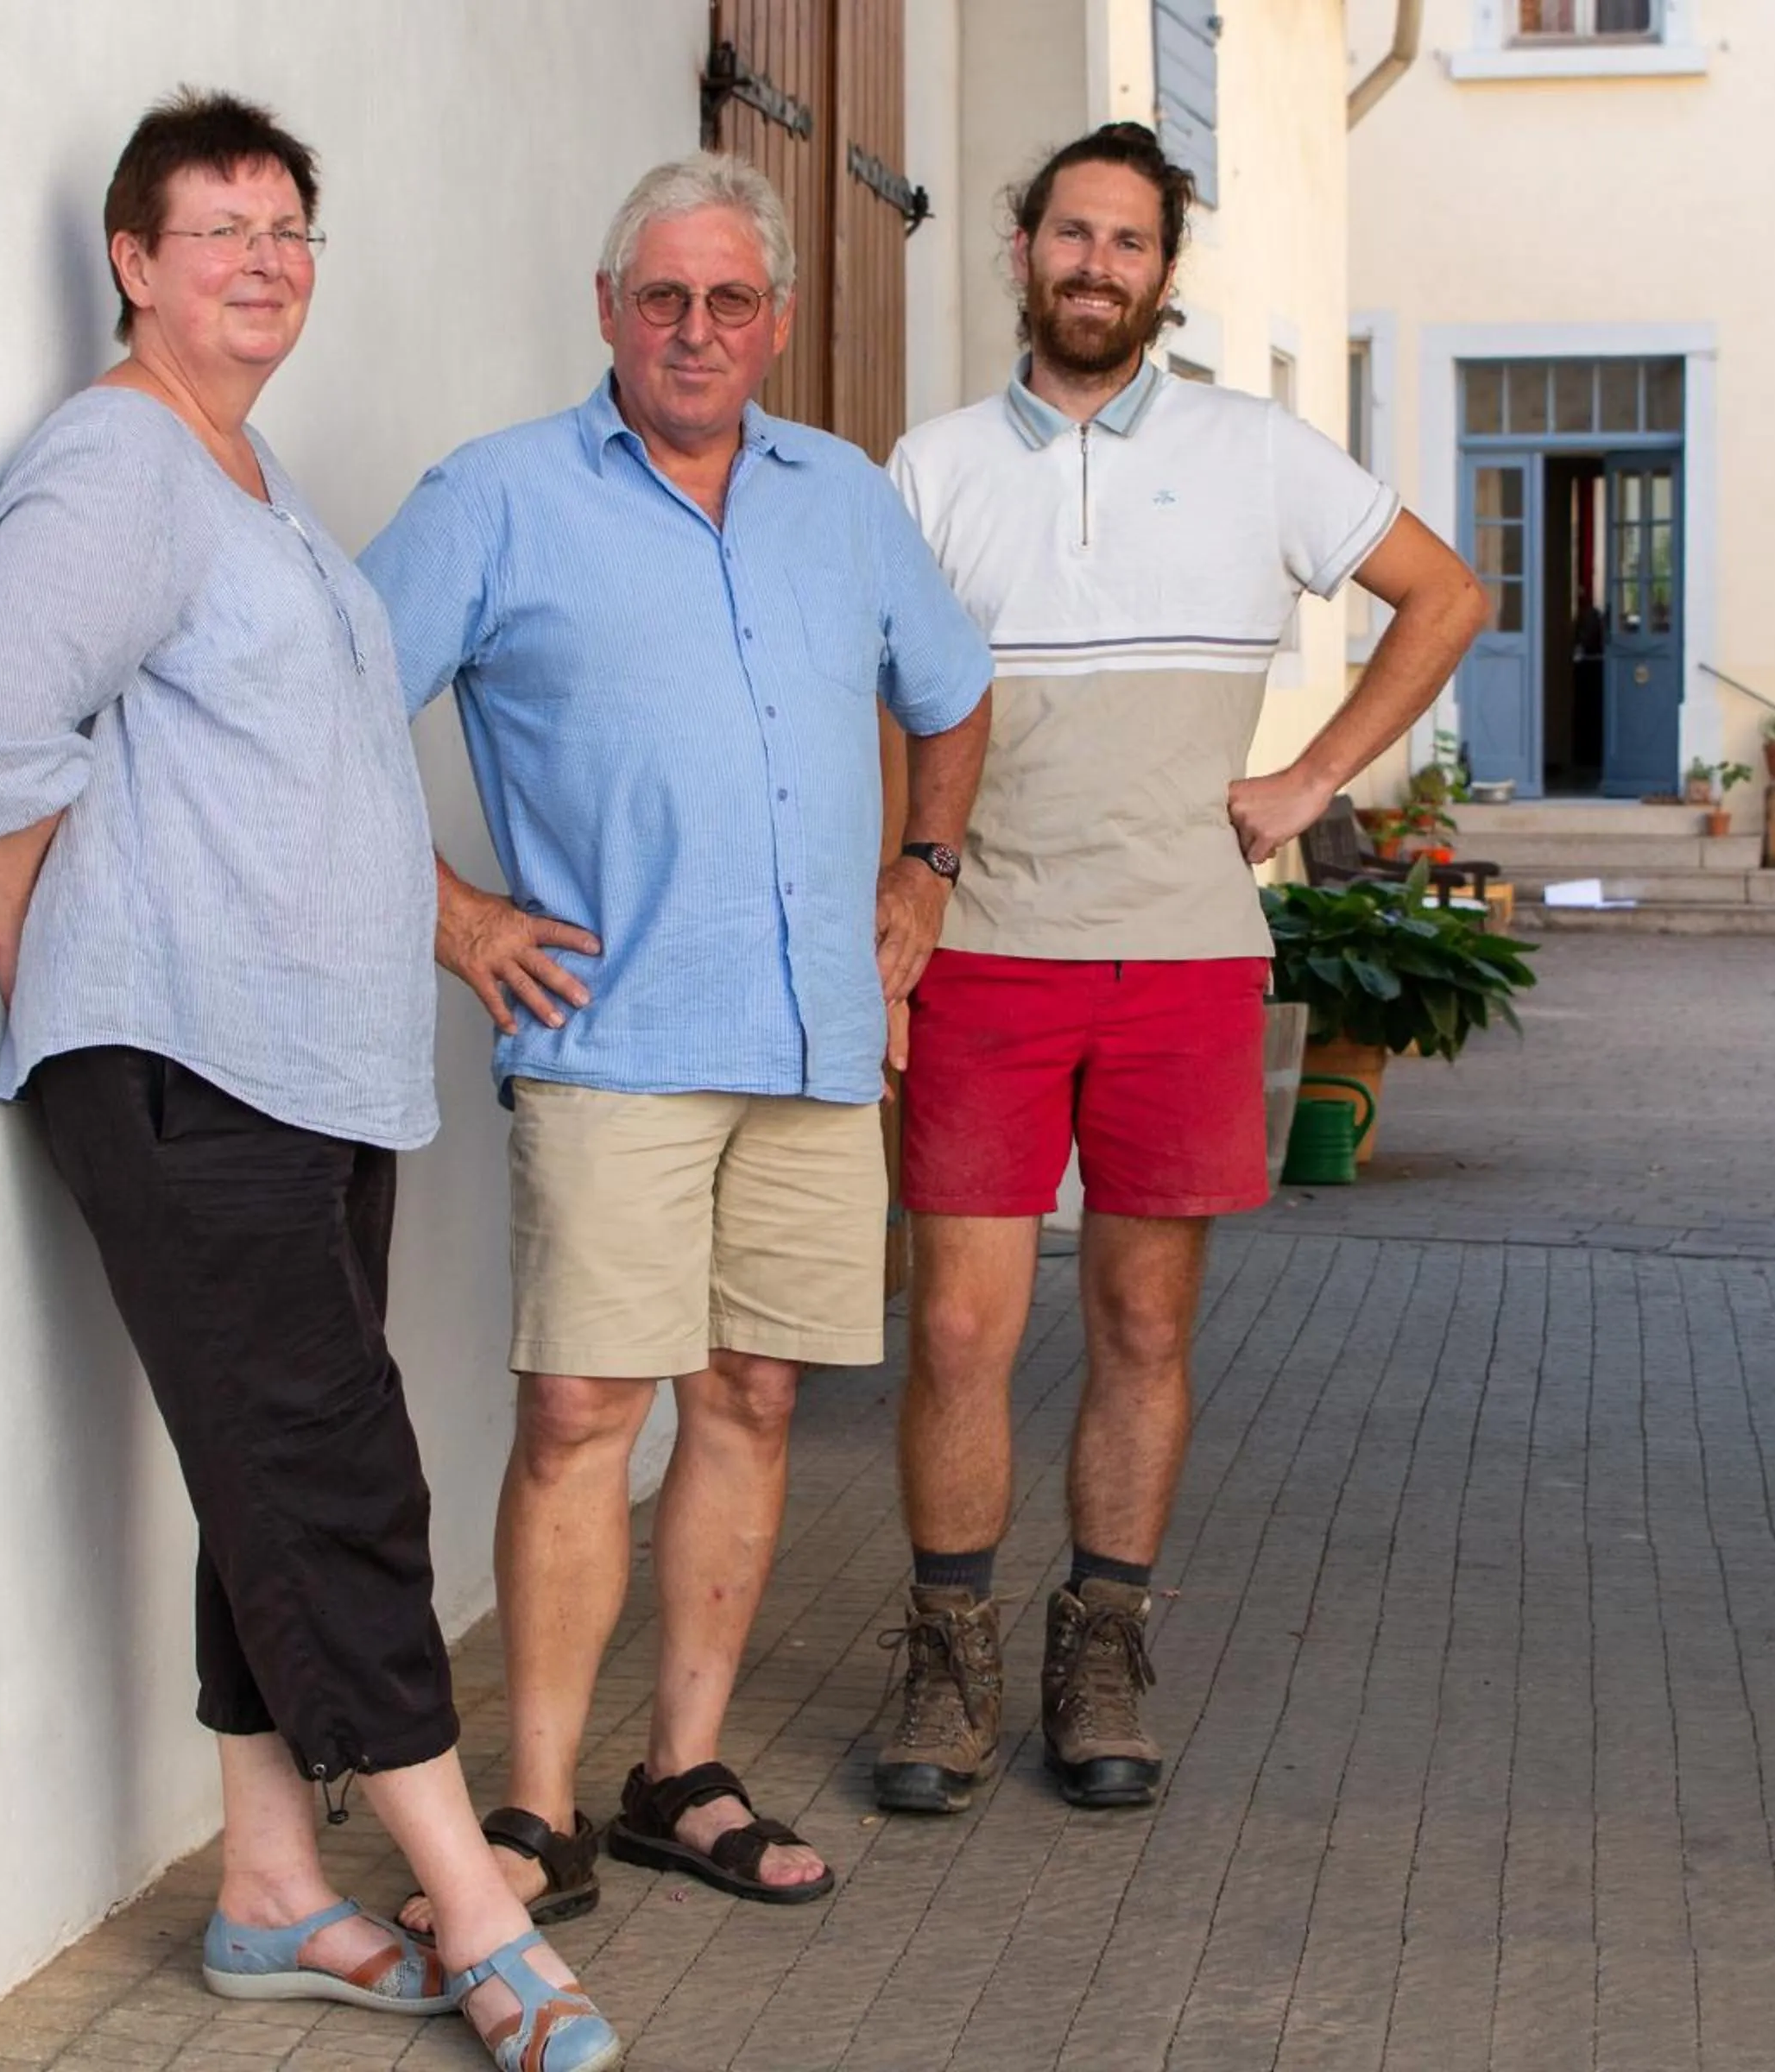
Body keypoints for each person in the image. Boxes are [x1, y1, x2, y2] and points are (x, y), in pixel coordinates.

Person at [0, 92, 622, 2072]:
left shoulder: (254, 479)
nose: (263, 261)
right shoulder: (117, 462)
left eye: (290, 231)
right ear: (135, 264)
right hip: (181, 1061)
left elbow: (296, 771)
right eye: (219, 229)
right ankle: (473, 1903)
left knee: (273, 1472)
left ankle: (265, 1893)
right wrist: (55, 948)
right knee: (341, 1479)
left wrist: (440, 918)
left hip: (314, 1065)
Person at [361, 152, 991, 1917]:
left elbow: (952, 693)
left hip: (807, 1042)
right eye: (664, 298)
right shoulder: (494, 499)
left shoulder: (845, 500)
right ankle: (536, 1809)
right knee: (578, 1413)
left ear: (775, 321)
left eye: (729, 300)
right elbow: (315, 706)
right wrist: (459, 917)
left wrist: (924, 872)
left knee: (755, 1396)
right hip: (613, 1037)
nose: (696, 330)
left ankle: (680, 1773)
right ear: (609, 312)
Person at [875, 122, 1492, 1815]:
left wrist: (1310, 785)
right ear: (1023, 253)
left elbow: (1444, 595)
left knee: (1145, 1325)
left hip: (1184, 963)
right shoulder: (926, 473)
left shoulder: (1256, 452)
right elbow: (871, 703)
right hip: (988, 955)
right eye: (1069, 233)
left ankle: (1100, 1652)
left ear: (1164, 271)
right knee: (956, 1335)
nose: (1095, 265)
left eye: (1129, 242)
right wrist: (895, 900)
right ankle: (944, 1664)